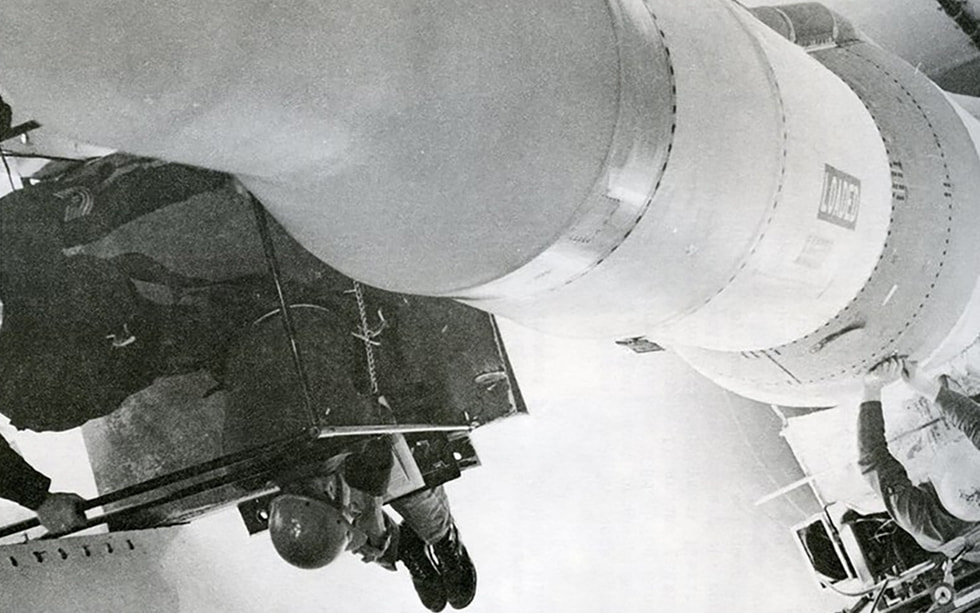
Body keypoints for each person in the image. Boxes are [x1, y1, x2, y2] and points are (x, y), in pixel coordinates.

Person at [0, 153, 251, 533]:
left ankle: (175, 319)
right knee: (41, 397)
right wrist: (38, 497)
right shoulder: (32, 387)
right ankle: (185, 340)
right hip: (65, 369)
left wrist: (208, 171)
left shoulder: (12, 230)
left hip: (91, 295)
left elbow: (113, 203)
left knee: (39, 227)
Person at [223, 304, 478, 611]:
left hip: (311, 319)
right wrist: (359, 521)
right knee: (345, 505)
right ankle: (402, 546)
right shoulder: (243, 468)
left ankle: (441, 538)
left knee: (401, 479)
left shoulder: (337, 425)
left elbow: (383, 424)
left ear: (331, 491)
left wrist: (370, 509)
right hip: (256, 336)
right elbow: (320, 512)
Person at [858, 356, 980, 562]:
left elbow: (872, 459)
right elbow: (975, 421)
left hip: (951, 535)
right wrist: (925, 387)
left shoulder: (924, 523)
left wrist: (872, 388)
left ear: (935, 480)